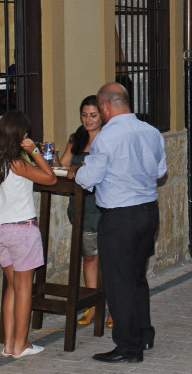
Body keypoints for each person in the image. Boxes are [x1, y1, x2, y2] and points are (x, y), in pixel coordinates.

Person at [74, 82, 167, 363]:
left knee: (118, 282)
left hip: (120, 216)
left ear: (105, 106)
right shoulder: (151, 132)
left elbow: (89, 179)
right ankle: (144, 334)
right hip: (148, 211)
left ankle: (128, 346)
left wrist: (78, 172)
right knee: (137, 277)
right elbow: (160, 170)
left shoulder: (106, 137)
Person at [0, 111, 57, 358]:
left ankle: (8, 344)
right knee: (24, 287)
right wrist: (35, 151)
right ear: (21, 136)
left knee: (13, 286)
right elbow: (50, 178)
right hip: (22, 231)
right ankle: (21, 345)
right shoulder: (19, 163)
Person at [58, 95, 113, 328]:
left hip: (105, 205)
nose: (88, 120)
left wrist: (79, 169)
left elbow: (111, 169)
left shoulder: (109, 139)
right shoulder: (76, 139)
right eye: (84, 115)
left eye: (93, 115)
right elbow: (62, 165)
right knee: (89, 257)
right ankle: (91, 305)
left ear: (102, 115)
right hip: (82, 207)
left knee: (110, 260)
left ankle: (114, 308)